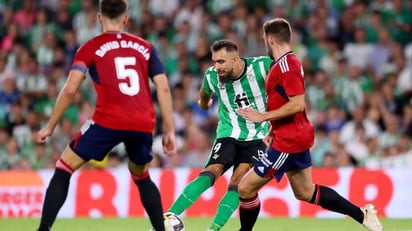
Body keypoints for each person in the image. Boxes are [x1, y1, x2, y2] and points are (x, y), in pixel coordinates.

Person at [36, 0, 177, 230]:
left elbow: (71, 88)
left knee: (64, 167)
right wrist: (169, 129)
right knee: (141, 176)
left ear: (99, 18)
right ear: (126, 19)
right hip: (142, 122)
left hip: (108, 119)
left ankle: (43, 229)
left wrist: (50, 126)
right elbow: (163, 87)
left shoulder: (89, 47)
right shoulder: (146, 47)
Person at [236, 18, 383, 231]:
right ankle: (362, 215)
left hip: (289, 141)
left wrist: (264, 116)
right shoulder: (284, 63)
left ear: (270, 40)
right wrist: (272, 128)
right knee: (305, 192)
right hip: (291, 134)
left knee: (245, 188)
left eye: (264, 40)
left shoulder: (287, 65)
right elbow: (284, 100)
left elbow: (297, 104)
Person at [165, 39, 272, 231]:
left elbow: (286, 81)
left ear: (236, 60)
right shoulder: (212, 76)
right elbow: (204, 99)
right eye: (214, 61)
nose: (217, 67)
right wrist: (204, 104)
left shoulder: (262, 66)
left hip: (258, 136)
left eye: (221, 62)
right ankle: (169, 216)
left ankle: (213, 229)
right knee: (211, 171)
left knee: (238, 182)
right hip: (228, 132)